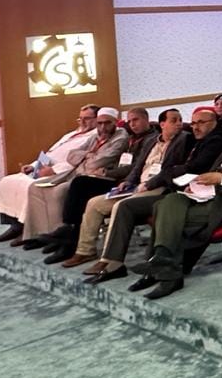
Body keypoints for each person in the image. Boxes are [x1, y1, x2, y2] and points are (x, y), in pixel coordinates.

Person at [129, 116, 222, 299]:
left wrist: (221, 179)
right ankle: (162, 261)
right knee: (169, 200)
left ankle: (164, 271)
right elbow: (209, 175)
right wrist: (196, 184)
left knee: (167, 217)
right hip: (204, 197)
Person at [88, 107, 222, 285]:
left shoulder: (202, 140)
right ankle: (112, 262)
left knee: (139, 206)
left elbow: (192, 167)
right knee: (116, 205)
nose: (194, 126)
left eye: (200, 123)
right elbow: (145, 166)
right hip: (173, 188)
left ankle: (154, 268)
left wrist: (168, 175)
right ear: (162, 124)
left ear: (214, 123)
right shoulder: (190, 139)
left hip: (178, 190)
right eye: (193, 123)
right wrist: (133, 180)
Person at [35, 107, 156, 263]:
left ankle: (69, 234)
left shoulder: (144, 139)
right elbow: (71, 155)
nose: (132, 124)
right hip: (118, 179)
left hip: (122, 181)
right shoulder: (131, 137)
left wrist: (107, 172)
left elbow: (134, 166)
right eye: (130, 121)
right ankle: (70, 236)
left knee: (80, 184)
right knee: (77, 187)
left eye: (136, 120)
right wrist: (88, 156)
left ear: (146, 119)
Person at [71, 110, 185, 273]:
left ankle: (109, 260)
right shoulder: (152, 141)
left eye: (180, 120)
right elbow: (138, 166)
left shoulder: (183, 140)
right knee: (94, 203)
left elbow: (170, 170)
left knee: (120, 206)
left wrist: (149, 184)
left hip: (160, 188)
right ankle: (85, 251)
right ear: (162, 124)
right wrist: (128, 181)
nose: (179, 123)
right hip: (138, 185)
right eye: (174, 120)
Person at [20, 107, 129, 247]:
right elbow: (66, 155)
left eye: (107, 123)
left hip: (85, 174)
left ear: (116, 122)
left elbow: (96, 162)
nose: (103, 127)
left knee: (60, 191)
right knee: (35, 187)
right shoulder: (78, 135)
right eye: (80, 119)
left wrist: (83, 158)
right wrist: (35, 165)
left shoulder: (115, 137)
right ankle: (39, 233)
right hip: (72, 170)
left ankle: (63, 232)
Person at [0, 105, 97, 244]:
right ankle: (15, 226)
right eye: (80, 118)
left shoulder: (93, 137)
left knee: (29, 186)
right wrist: (34, 165)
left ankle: (28, 229)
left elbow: (80, 161)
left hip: (64, 172)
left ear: (97, 119)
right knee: (8, 181)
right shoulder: (71, 134)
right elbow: (50, 153)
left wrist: (54, 170)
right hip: (46, 168)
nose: (82, 122)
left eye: (87, 118)